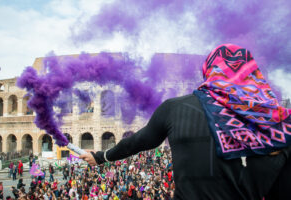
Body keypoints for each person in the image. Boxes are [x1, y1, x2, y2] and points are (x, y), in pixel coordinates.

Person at [80, 44, 291, 200]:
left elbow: (136, 142)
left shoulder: (175, 108)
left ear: (208, 71)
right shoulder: (279, 126)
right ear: (251, 73)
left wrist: (101, 157)